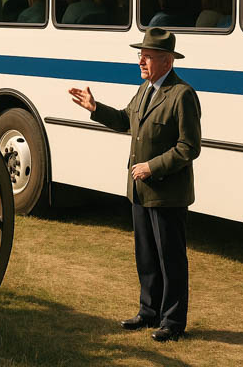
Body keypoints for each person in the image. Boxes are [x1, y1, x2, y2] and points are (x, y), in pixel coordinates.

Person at [68, 27, 200, 343]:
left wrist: (152, 167)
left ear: (167, 61)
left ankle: (172, 322)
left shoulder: (182, 95)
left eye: (148, 56)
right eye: (140, 55)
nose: (141, 60)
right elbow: (127, 119)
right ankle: (149, 311)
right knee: (146, 255)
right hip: (140, 192)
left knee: (171, 259)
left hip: (166, 193)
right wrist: (95, 108)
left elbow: (189, 147)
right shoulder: (145, 89)